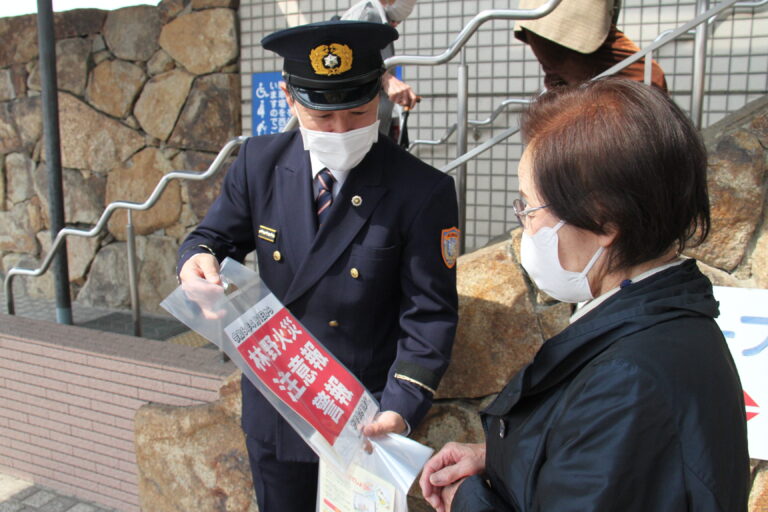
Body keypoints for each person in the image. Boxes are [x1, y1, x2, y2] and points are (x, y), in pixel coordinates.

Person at [418, 78, 749, 511]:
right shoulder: (659, 325)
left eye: (529, 208)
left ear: (604, 221)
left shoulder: (629, 381)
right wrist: (495, 462)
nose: (524, 227)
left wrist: (469, 498)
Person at [177, 20, 459, 512]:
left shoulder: (421, 190)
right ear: (288, 97)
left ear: (380, 96)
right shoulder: (259, 162)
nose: (341, 131)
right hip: (277, 407)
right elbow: (212, 237)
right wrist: (197, 260)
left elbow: (429, 314)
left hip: (361, 414)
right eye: (322, 117)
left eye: (358, 112)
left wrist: (402, 405)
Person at [515, 0, 668, 91]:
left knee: (564, 95)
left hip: (543, 22)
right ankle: (650, 144)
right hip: (565, 21)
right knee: (650, 78)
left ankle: (559, 144)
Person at [341, 0, 420, 137]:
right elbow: (347, 63)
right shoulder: (368, 15)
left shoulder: (380, 20)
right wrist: (386, 79)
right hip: (357, 132)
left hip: (372, 130)